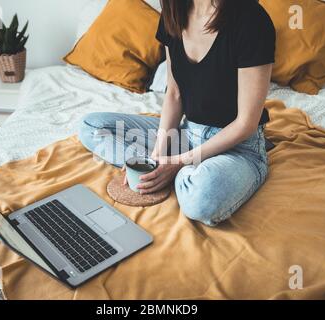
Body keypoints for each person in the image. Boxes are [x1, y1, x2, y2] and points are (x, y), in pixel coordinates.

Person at [79, 0, 276, 226]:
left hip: (238, 149)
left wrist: (179, 163)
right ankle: (157, 171)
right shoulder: (174, 13)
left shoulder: (252, 20)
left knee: (202, 202)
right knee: (91, 126)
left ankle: (175, 173)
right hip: (186, 136)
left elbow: (246, 124)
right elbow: (174, 94)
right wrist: (157, 156)